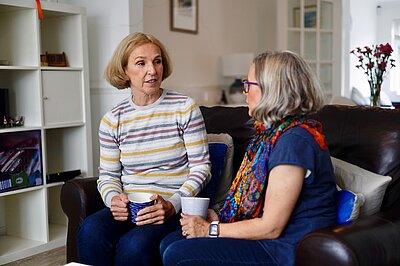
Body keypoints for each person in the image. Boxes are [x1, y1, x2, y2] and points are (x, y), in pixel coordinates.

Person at [160, 51, 337, 266]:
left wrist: (210, 230)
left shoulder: (294, 141)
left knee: (177, 253)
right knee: (170, 241)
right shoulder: (269, 135)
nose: (244, 92)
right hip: (267, 241)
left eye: (249, 84)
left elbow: (271, 227)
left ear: (272, 89)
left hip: (284, 249)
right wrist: (218, 218)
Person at [77, 32, 211, 266]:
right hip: (130, 206)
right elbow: (108, 176)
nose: (152, 70)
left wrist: (172, 204)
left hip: (168, 208)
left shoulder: (184, 108)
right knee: (89, 230)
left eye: (157, 61)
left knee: (134, 246)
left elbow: (202, 169)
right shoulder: (112, 119)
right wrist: (113, 200)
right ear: (124, 71)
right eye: (141, 63)